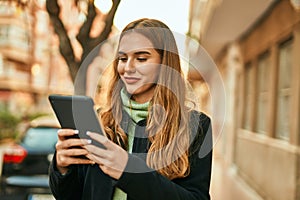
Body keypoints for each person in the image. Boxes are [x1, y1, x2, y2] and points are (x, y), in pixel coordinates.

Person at [49, 18, 213, 200]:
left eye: (141, 58)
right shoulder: (99, 120)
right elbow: (70, 195)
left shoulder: (196, 126)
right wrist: (61, 168)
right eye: (122, 58)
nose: (128, 68)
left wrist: (128, 170)